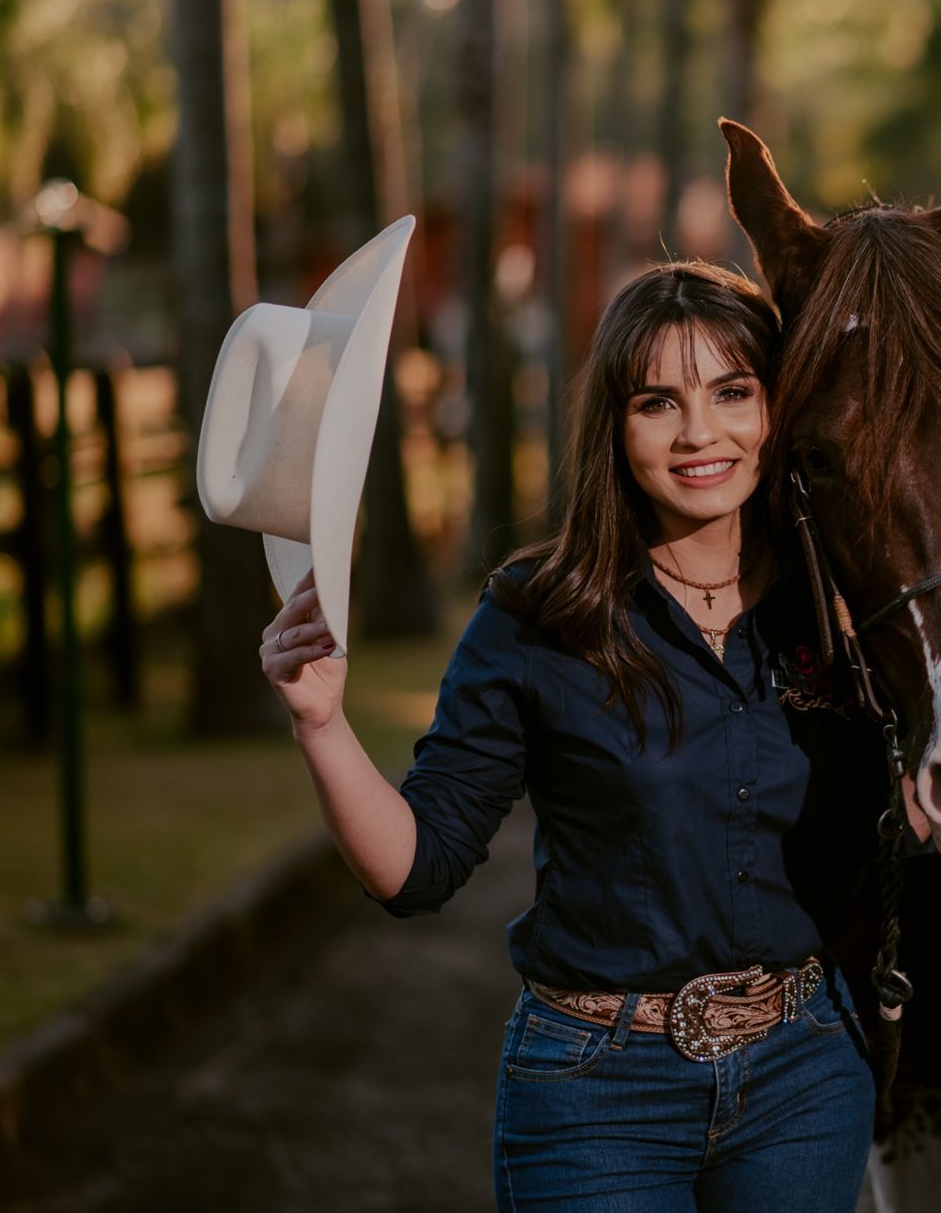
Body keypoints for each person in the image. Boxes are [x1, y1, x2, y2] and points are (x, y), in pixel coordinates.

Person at [257, 262, 879, 1212]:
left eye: (732, 392)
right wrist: (322, 723)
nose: (700, 433)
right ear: (616, 430)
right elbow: (415, 870)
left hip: (805, 1076)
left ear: (776, 410)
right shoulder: (537, 615)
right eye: (658, 402)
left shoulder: (841, 606)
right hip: (599, 1091)